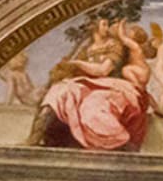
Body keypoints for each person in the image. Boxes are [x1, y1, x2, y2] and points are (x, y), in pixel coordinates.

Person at [30, 19, 152, 151]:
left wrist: (77, 63)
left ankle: (118, 142)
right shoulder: (86, 49)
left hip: (111, 85)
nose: (108, 28)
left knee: (92, 106)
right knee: (59, 90)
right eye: (104, 24)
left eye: (108, 24)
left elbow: (103, 70)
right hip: (89, 83)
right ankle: (37, 135)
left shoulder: (115, 45)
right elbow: (72, 69)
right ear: (94, 27)